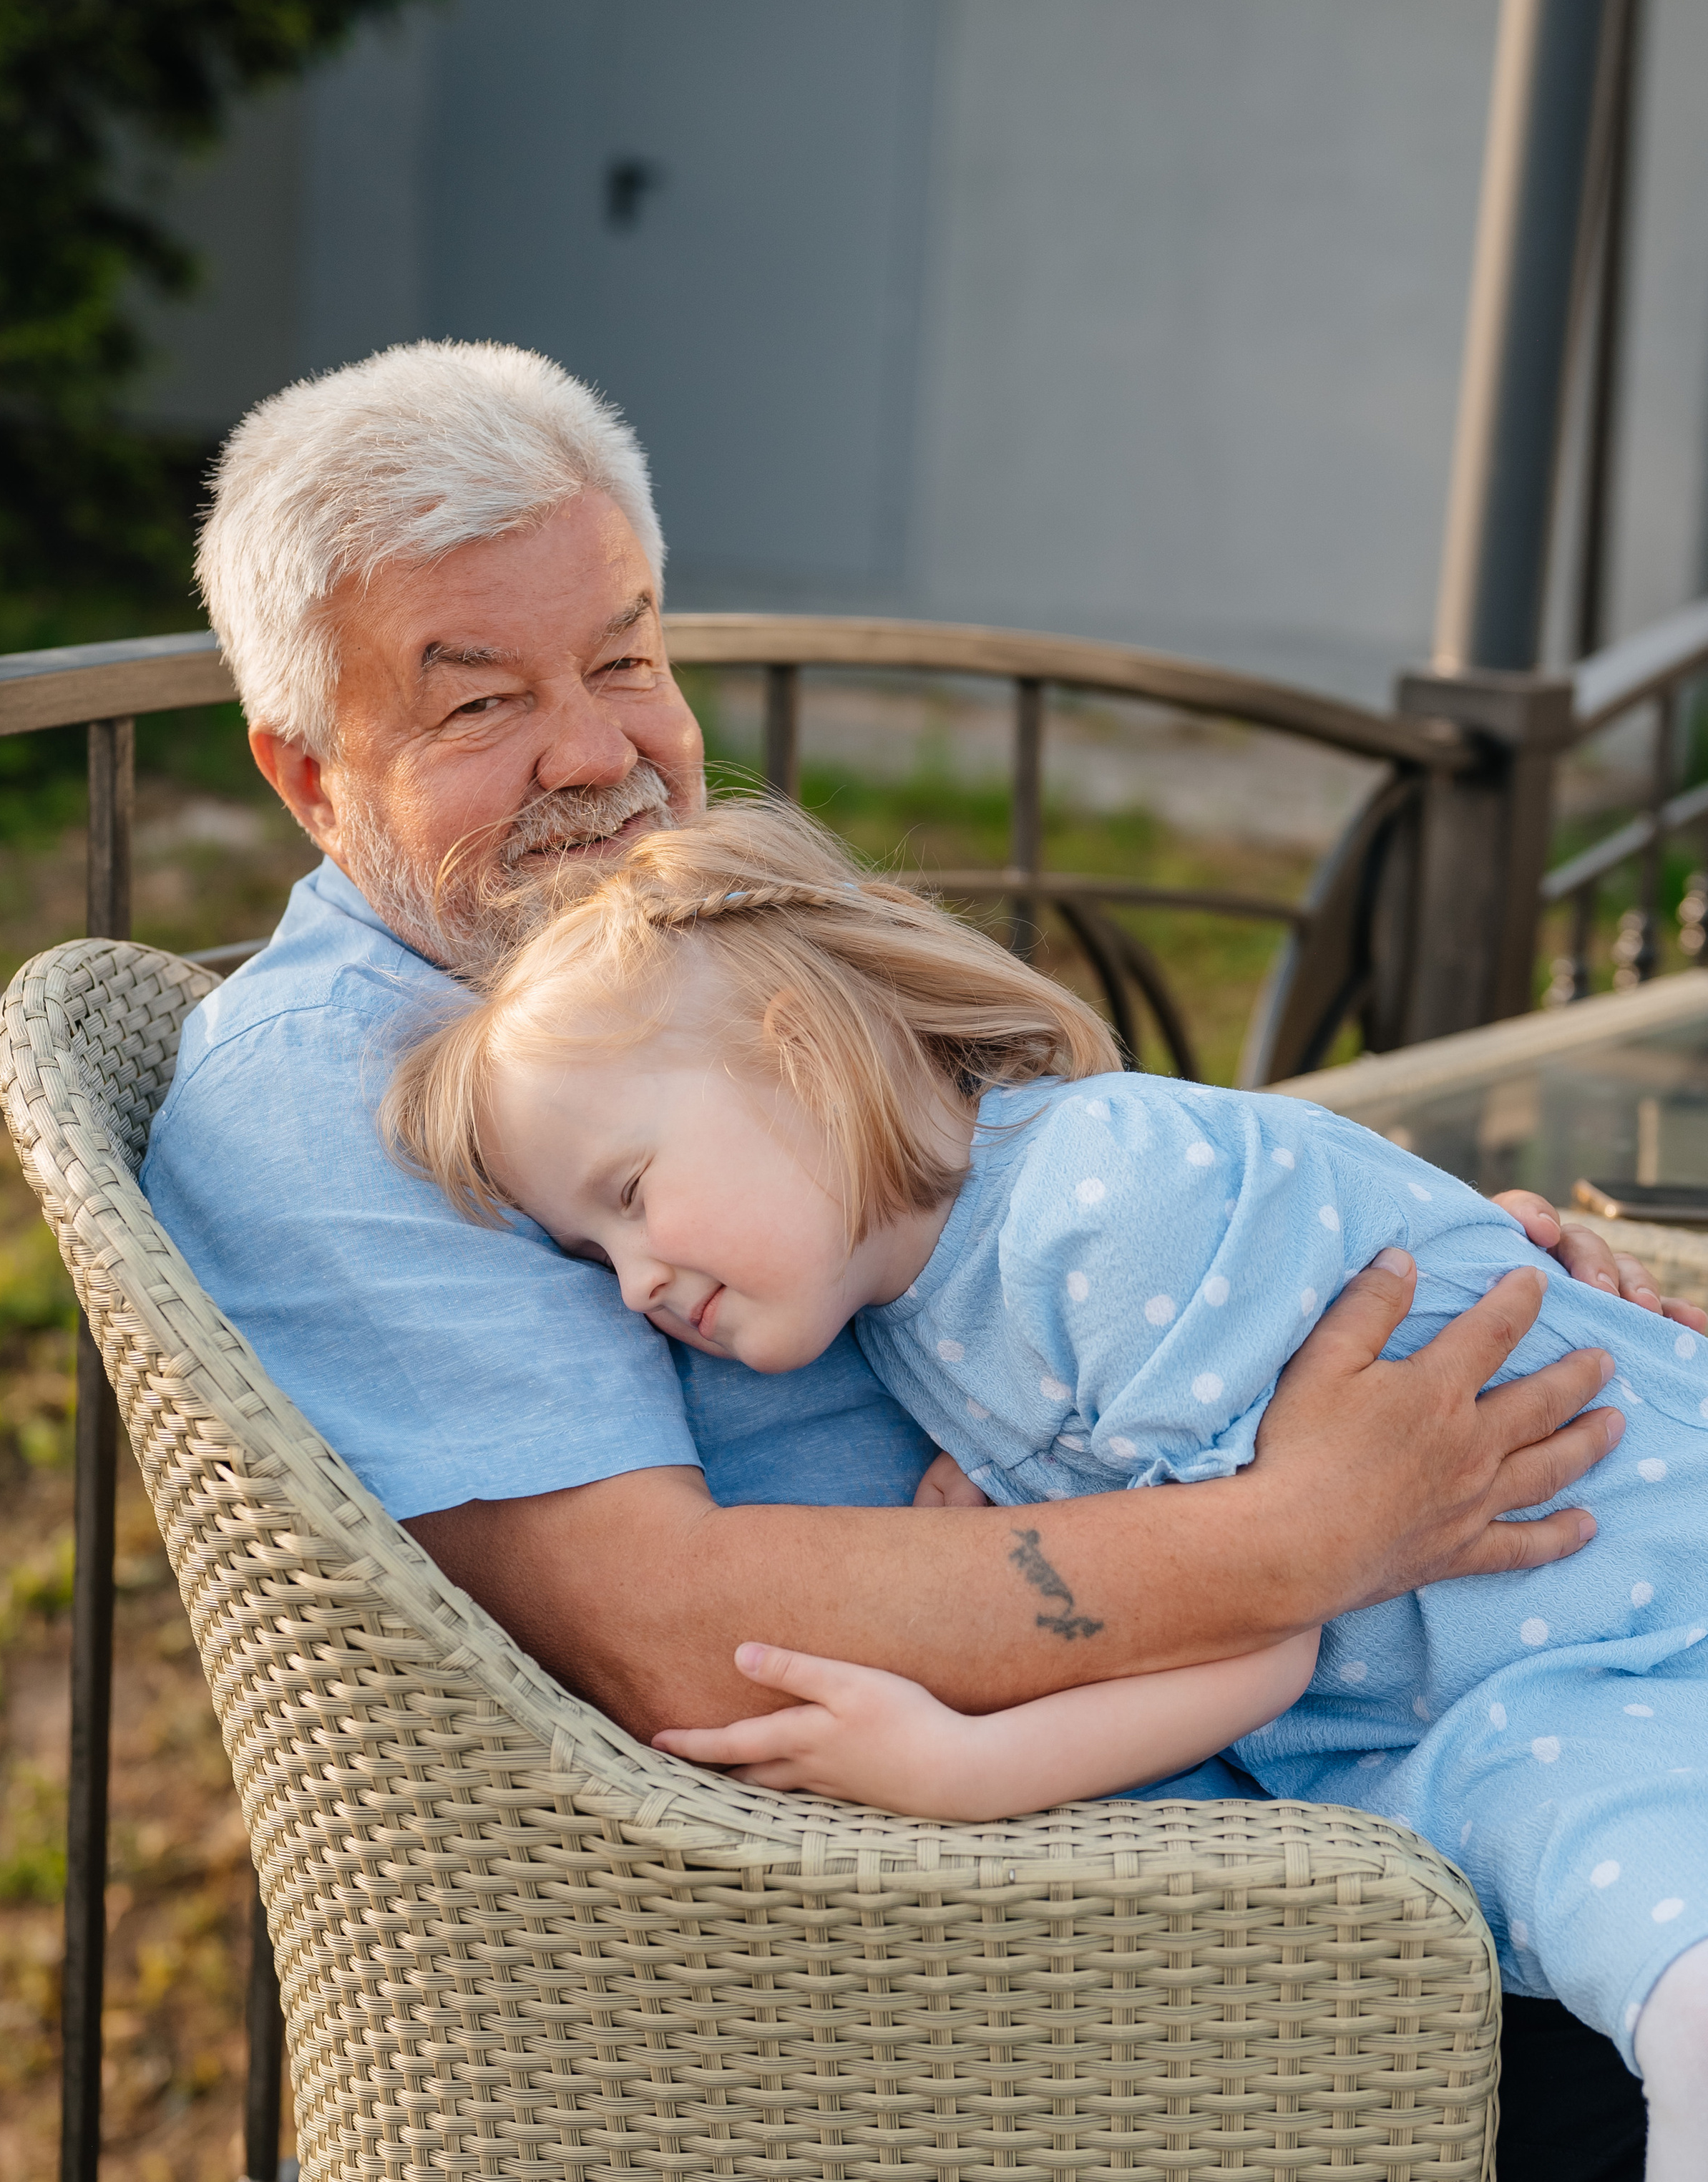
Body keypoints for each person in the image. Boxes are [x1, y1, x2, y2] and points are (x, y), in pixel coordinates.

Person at [145, 336, 1678, 2180]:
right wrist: (1314, 1528)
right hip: (1108, 1941)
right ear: (310, 776)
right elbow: (670, 1634)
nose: (598, 755)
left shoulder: (655, 946)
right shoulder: (331, 1085)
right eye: (476, 702)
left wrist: (1443, 1277)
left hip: (1372, 1728)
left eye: (624, 659)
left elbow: (1042, 1176)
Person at [380, 795, 1708, 2180]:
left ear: (801, 1058)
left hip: (1633, 1626)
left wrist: (960, 1769)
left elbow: (1267, 1604)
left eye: (633, 1193)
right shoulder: (925, 1307)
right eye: (594, 1253)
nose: (635, 1281)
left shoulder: (1099, 1201)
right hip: (1497, 1710)